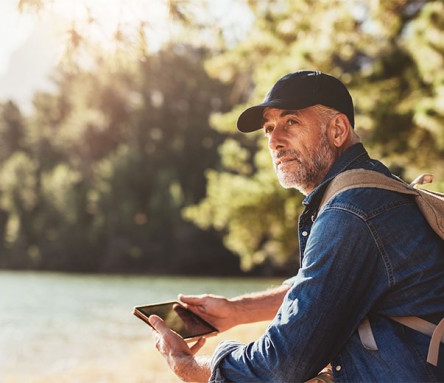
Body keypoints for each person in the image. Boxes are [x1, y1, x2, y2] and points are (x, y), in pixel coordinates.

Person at [149, 70, 444, 382]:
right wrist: (236, 311)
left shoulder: (351, 213)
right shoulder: (371, 189)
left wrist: (192, 368)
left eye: (291, 122)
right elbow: (324, 285)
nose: (274, 141)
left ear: (338, 130)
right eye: (269, 129)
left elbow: (282, 364)